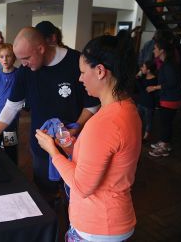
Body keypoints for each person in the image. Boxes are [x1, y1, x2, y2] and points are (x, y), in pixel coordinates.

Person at [35, 34, 142, 241]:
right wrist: (67, 145)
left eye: (83, 72)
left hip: (98, 226)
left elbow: (82, 186)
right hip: (115, 220)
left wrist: (52, 151)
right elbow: (99, 159)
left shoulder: (103, 123)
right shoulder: (127, 109)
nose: (80, 78)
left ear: (100, 71)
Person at [0, 27, 100, 203]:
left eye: (26, 58)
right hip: (41, 146)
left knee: (75, 194)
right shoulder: (25, 71)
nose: (23, 64)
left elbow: (93, 105)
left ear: (41, 48)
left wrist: (76, 127)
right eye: (21, 60)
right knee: (45, 193)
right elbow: (11, 107)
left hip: (73, 146)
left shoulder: (75, 62)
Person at [147, 37, 181, 157]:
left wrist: (155, 87)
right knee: (165, 122)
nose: (153, 51)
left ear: (162, 51)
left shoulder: (168, 65)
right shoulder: (167, 64)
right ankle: (164, 142)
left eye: (155, 49)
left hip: (170, 99)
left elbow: (172, 83)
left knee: (165, 123)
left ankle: (164, 147)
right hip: (170, 99)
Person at [136, 60, 158, 141]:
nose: (141, 68)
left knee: (148, 121)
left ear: (148, 70)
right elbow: (139, 89)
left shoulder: (155, 80)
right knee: (138, 119)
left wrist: (137, 78)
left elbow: (144, 90)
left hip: (149, 104)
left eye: (143, 67)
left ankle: (146, 136)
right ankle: (137, 133)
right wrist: (138, 78)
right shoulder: (143, 77)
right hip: (141, 102)